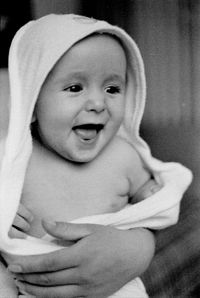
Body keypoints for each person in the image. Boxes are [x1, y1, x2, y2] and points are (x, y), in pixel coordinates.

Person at [0, 14, 192, 298]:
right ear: (33, 98)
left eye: (112, 89)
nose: (99, 103)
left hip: (111, 286)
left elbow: (154, 203)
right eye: (75, 88)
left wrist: (152, 201)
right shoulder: (14, 155)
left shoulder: (124, 156)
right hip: (29, 282)